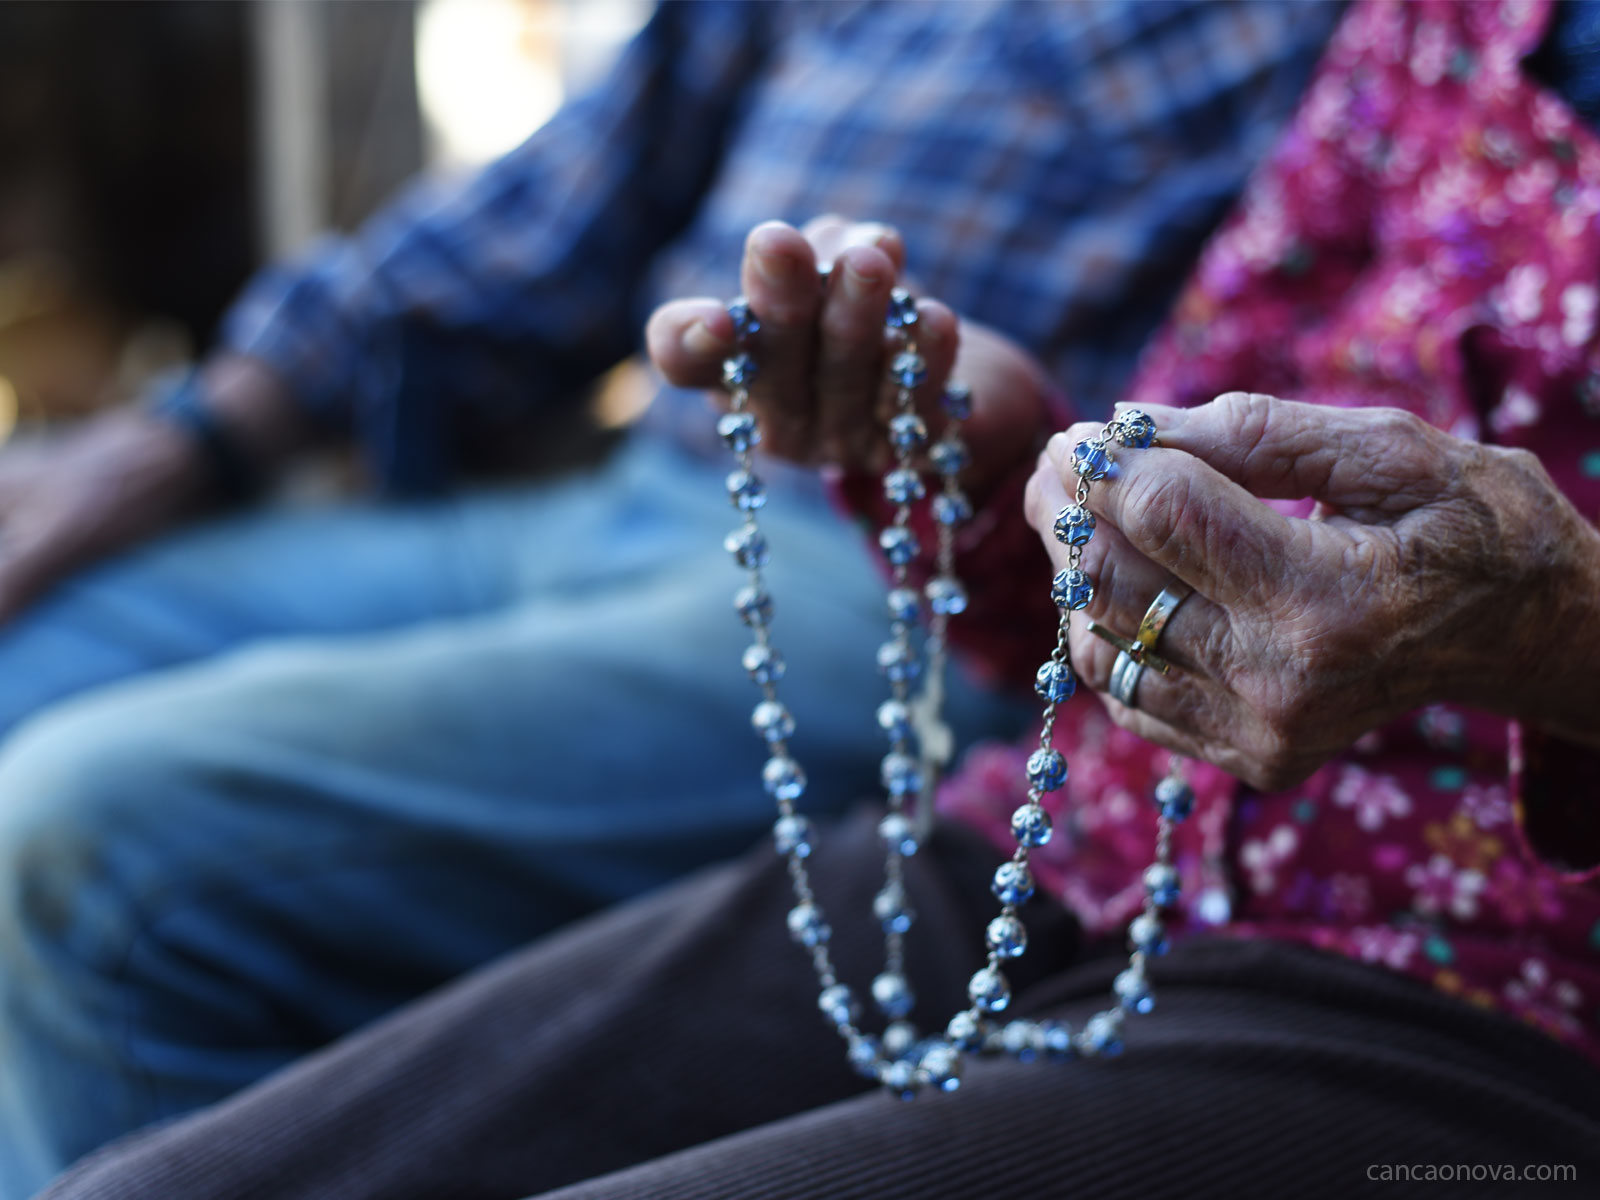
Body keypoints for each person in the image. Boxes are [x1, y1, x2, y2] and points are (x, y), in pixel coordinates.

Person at [37, 1, 1600, 1198]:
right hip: (1073, 841)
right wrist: (992, 474)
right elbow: (1185, 486)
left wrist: (1555, 627)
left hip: (1488, 986)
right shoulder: (1455, 23)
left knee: (95, 839)